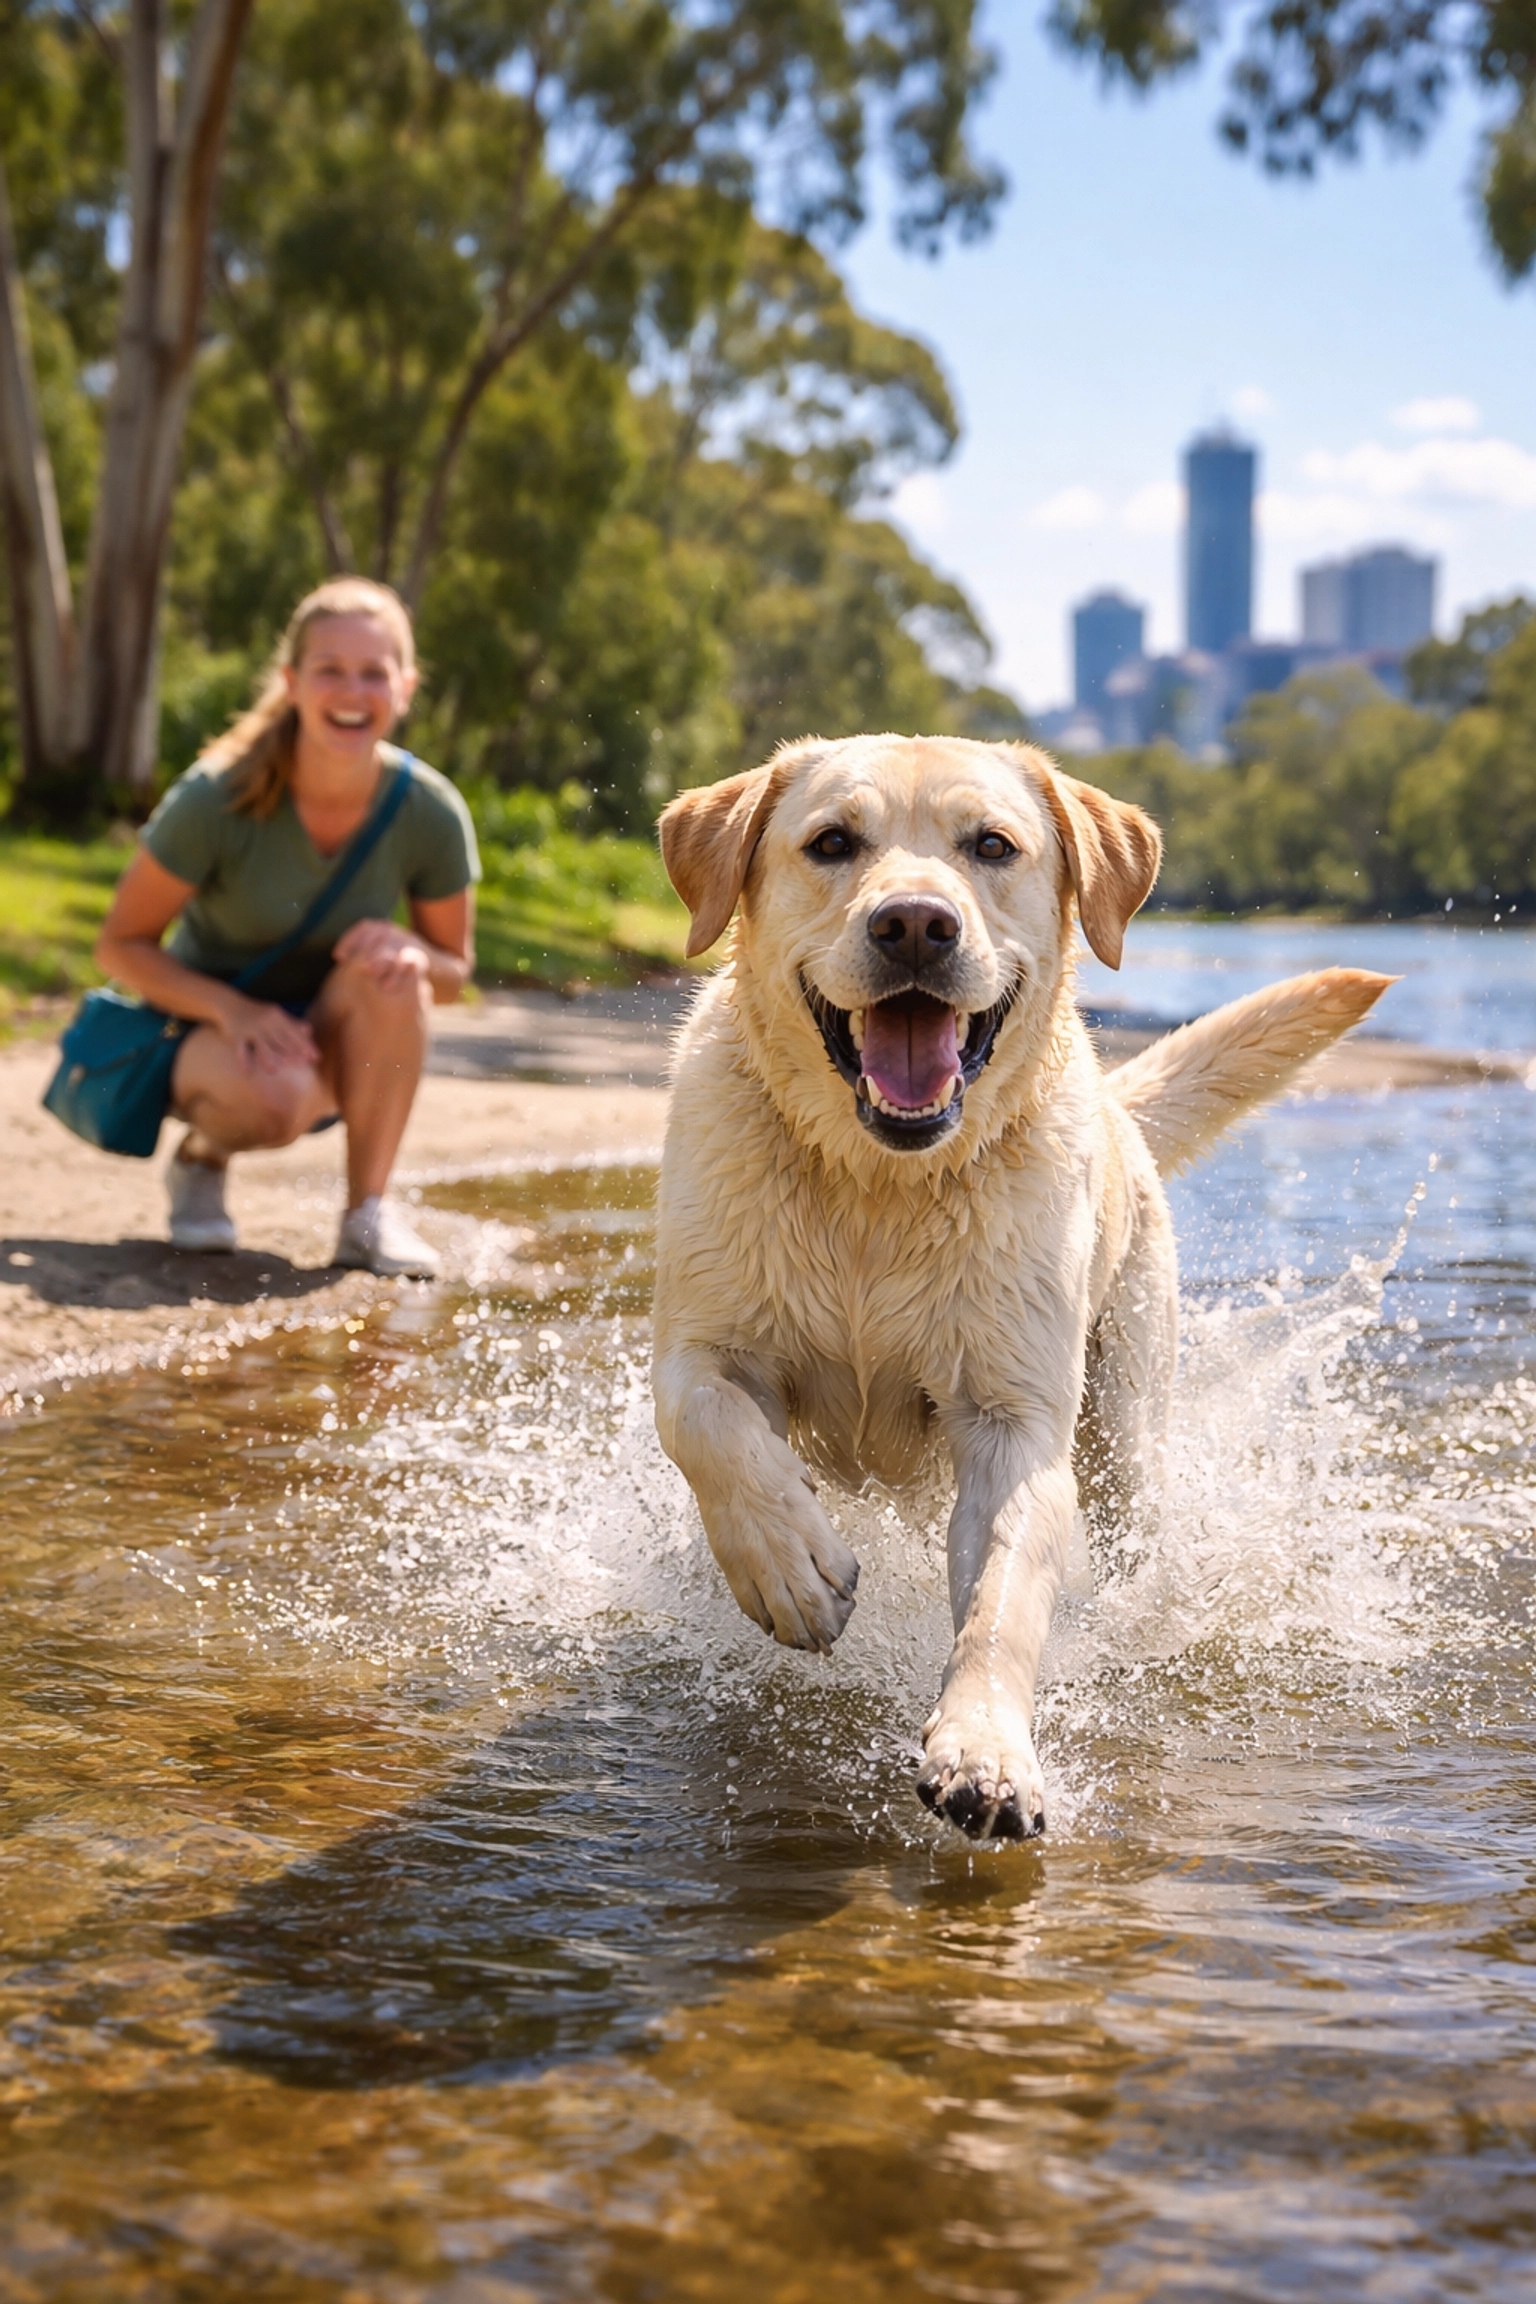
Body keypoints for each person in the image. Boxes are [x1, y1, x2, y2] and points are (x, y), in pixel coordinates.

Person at [94, 578, 479, 1279]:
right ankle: (203, 1157)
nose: (351, 691)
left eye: (373, 672)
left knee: (396, 979)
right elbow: (118, 945)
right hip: (211, 1039)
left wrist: (415, 951)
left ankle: (368, 1215)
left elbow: (454, 974)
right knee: (278, 1097)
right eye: (330, 669)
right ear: (292, 681)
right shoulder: (215, 796)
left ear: (405, 686)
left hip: (330, 1039)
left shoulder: (430, 811)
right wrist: (232, 1010)